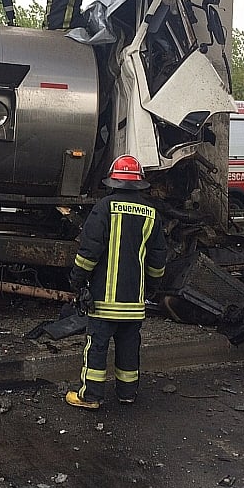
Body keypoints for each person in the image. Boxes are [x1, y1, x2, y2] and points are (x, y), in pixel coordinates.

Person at [66, 155, 167, 410]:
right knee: (129, 347)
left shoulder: (104, 207)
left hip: (104, 301)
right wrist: (152, 287)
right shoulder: (151, 214)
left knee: (97, 347)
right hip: (134, 302)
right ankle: (127, 393)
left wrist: (77, 281)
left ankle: (90, 396)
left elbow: (89, 252)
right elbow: (157, 260)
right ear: (139, 183)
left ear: (113, 181)